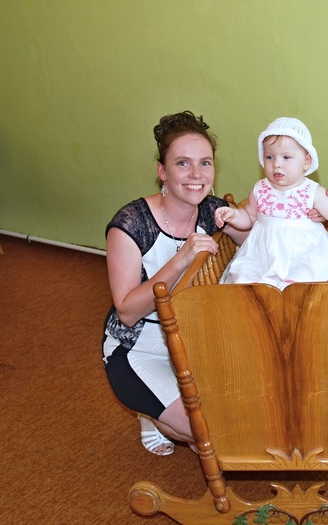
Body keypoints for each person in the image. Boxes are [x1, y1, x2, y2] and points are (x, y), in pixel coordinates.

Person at [102, 110, 249, 455]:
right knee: (211, 436)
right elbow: (127, 312)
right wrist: (180, 259)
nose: (197, 175)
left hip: (196, 342)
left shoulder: (214, 210)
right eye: (183, 163)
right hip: (140, 349)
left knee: (245, 419)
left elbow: (258, 243)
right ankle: (151, 414)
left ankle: (165, 413)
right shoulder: (130, 224)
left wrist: (301, 208)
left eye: (205, 163)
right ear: (162, 171)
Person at [215, 117, 328, 290]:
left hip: (303, 255)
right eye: (270, 157)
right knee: (248, 277)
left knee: (304, 281)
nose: (276, 164)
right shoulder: (259, 189)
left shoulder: (312, 191)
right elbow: (249, 217)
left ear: (306, 161)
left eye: (286, 157)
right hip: (264, 256)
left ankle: (293, 291)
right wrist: (234, 215)